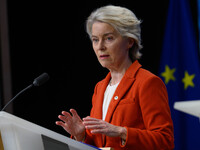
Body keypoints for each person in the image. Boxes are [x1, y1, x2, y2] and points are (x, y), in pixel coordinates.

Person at [56, 5, 174, 150]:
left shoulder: (148, 82)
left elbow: (165, 141)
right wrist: (82, 136)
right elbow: (101, 145)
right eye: (95, 39)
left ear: (130, 41)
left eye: (109, 38)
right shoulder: (100, 87)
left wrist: (121, 131)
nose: (100, 47)